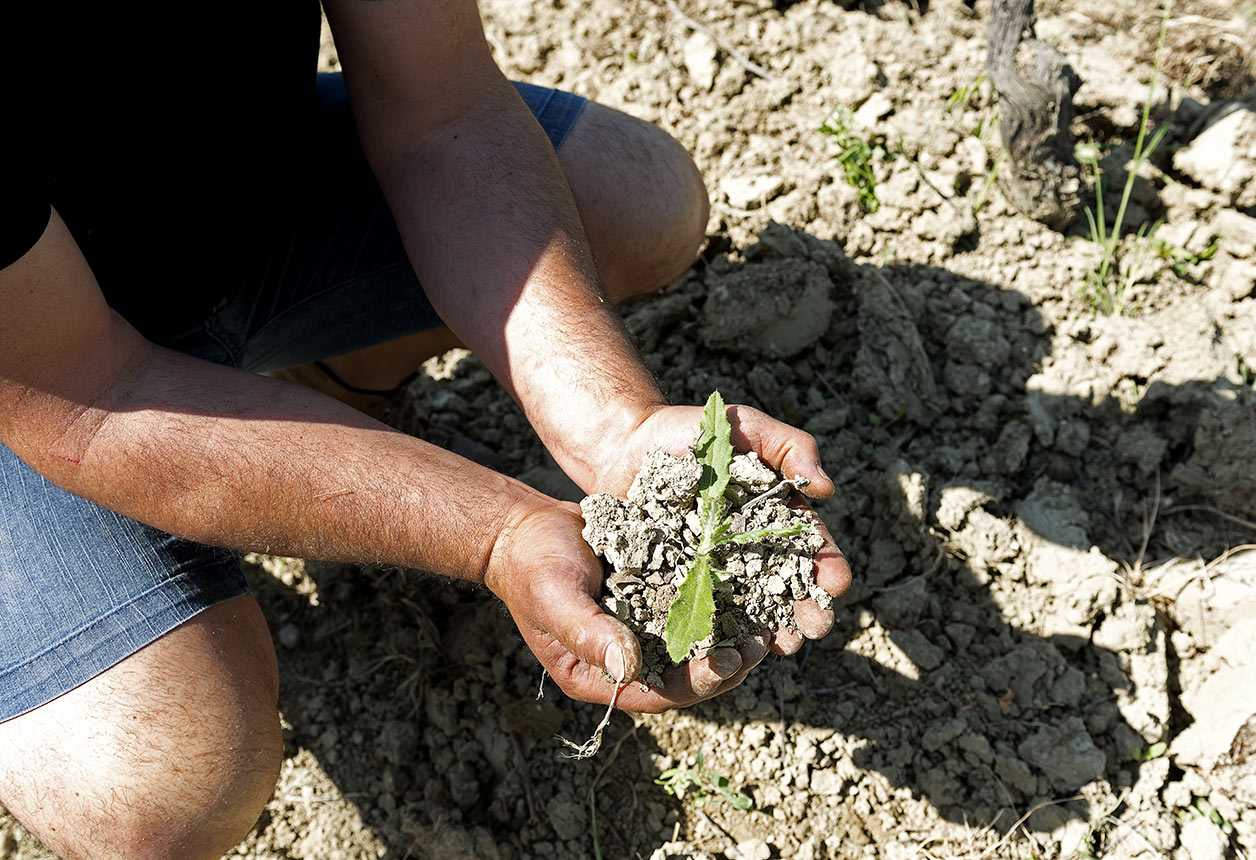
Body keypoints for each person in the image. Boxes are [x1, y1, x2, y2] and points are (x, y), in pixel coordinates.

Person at [0, 2, 852, 857]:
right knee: (155, 787)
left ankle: (330, 385)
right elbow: (89, 399)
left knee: (632, 197)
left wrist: (613, 423)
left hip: (227, 206)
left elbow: (443, 109)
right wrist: (496, 533)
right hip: (34, 376)